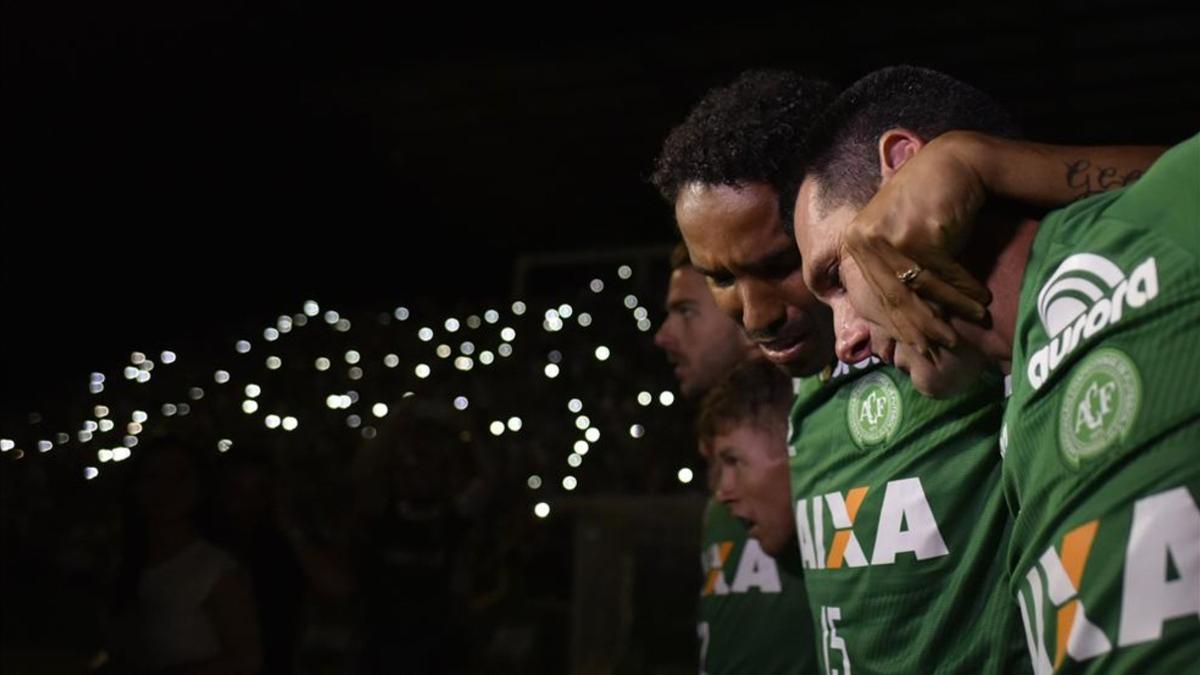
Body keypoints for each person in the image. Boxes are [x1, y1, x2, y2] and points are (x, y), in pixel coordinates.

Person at [792, 67, 1197, 672]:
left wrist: (987, 164)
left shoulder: (1131, 243)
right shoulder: (1013, 434)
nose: (844, 340)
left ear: (904, 172)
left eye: (835, 277)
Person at [654, 68, 1024, 674]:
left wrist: (983, 161)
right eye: (720, 278)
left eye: (779, 264)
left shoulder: (958, 334)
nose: (756, 315)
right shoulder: (799, 392)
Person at [108, 435, 262, 675]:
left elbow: (248, 659)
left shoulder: (215, 568)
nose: (166, 489)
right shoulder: (122, 562)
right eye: (154, 477)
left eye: (180, 477)